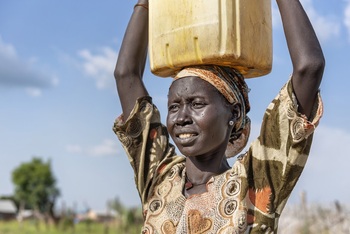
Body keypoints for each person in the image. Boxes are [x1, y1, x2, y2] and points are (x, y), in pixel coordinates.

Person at [113, 0, 325, 233]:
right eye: (174, 106)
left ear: (233, 113)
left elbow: (309, 67)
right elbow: (126, 75)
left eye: (197, 104)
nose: (181, 117)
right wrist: (146, 4)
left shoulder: (255, 180)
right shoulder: (159, 178)